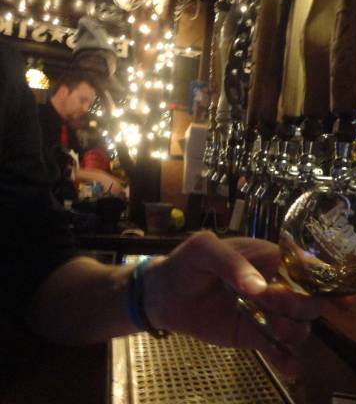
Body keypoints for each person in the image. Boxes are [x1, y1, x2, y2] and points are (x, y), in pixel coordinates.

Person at [0, 39, 321, 395]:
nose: (86, 109)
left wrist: (154, 292)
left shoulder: (6, 72)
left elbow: (35, 272)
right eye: (84, 100)